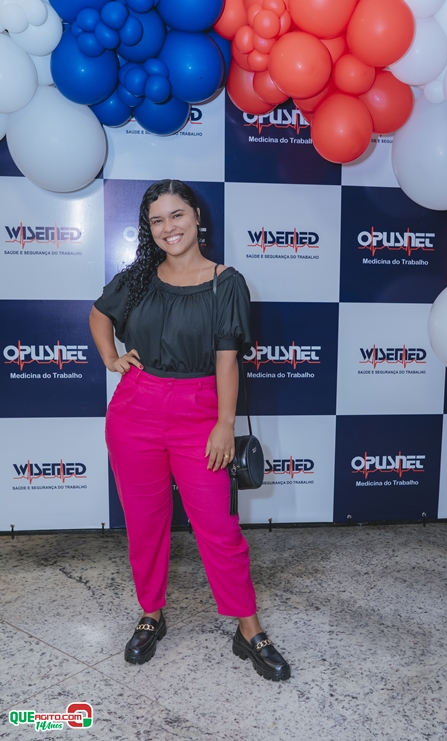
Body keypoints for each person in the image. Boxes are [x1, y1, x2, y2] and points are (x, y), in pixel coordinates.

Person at [89, 179, 290, 681]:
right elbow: (98, 314)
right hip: (135, 410)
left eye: (176, 215)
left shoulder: (226, 282)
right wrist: (112, 358)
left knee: (220, 528)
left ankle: (248, 628)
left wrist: (224, 423)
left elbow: (227, 361)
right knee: (144, 523)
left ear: (197, 217)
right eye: (156, 220)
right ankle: (151, 614)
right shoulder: (138, 278)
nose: (168, 228)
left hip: (200, 412)